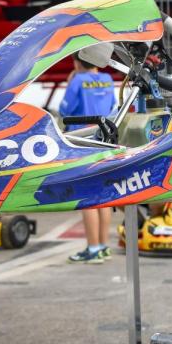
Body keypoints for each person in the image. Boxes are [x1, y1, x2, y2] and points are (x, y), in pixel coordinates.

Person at [62, 50, 117, 264]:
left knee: (87, 197)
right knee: (102, 196)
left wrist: (70, 83)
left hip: (82, 141)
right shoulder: (108, 79)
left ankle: (93, 247)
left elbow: (65, 109)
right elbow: (113, 107)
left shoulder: (78, 80)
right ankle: (102, 246)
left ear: (76, 63)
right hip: (104, 139)